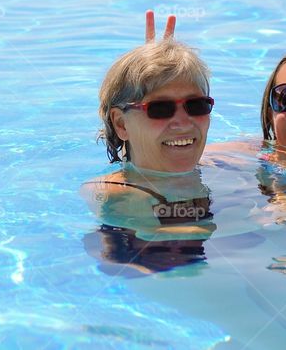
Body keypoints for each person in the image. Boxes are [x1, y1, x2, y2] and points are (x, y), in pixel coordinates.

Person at [83, 39, 218, 274]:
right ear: (121, 123)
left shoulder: (219, 164)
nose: (183, 123)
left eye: (195, 105)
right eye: (160, 109)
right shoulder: (121, 195)